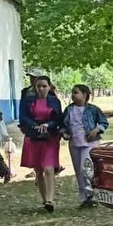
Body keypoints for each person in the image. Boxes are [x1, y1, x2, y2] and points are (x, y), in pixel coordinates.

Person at [19, 75, 64, 212]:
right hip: (33, 137)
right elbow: (23, 117)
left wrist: (48, 124)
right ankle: (44, 199)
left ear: (49, 87)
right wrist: (34, 126)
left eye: (44, 86)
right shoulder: (28, 100)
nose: (41, 89)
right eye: (39, 86)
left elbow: (58, 119)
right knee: (38, 169)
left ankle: (50, 199)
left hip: (50, 137)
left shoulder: (55, 101)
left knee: (49, 168)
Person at [63, 84, 109, 207]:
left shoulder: (93, 109)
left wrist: (96, 130)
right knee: (78, 171)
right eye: (72, 92)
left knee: (86, 170)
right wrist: (64, 133)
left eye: (76, 92)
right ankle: (84, 198)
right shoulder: (69, 110)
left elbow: (104, 122)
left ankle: (92, 195)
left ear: (84, 95)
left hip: (89, 143)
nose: (73, 95)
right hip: (74, 144)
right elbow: (63, 125)